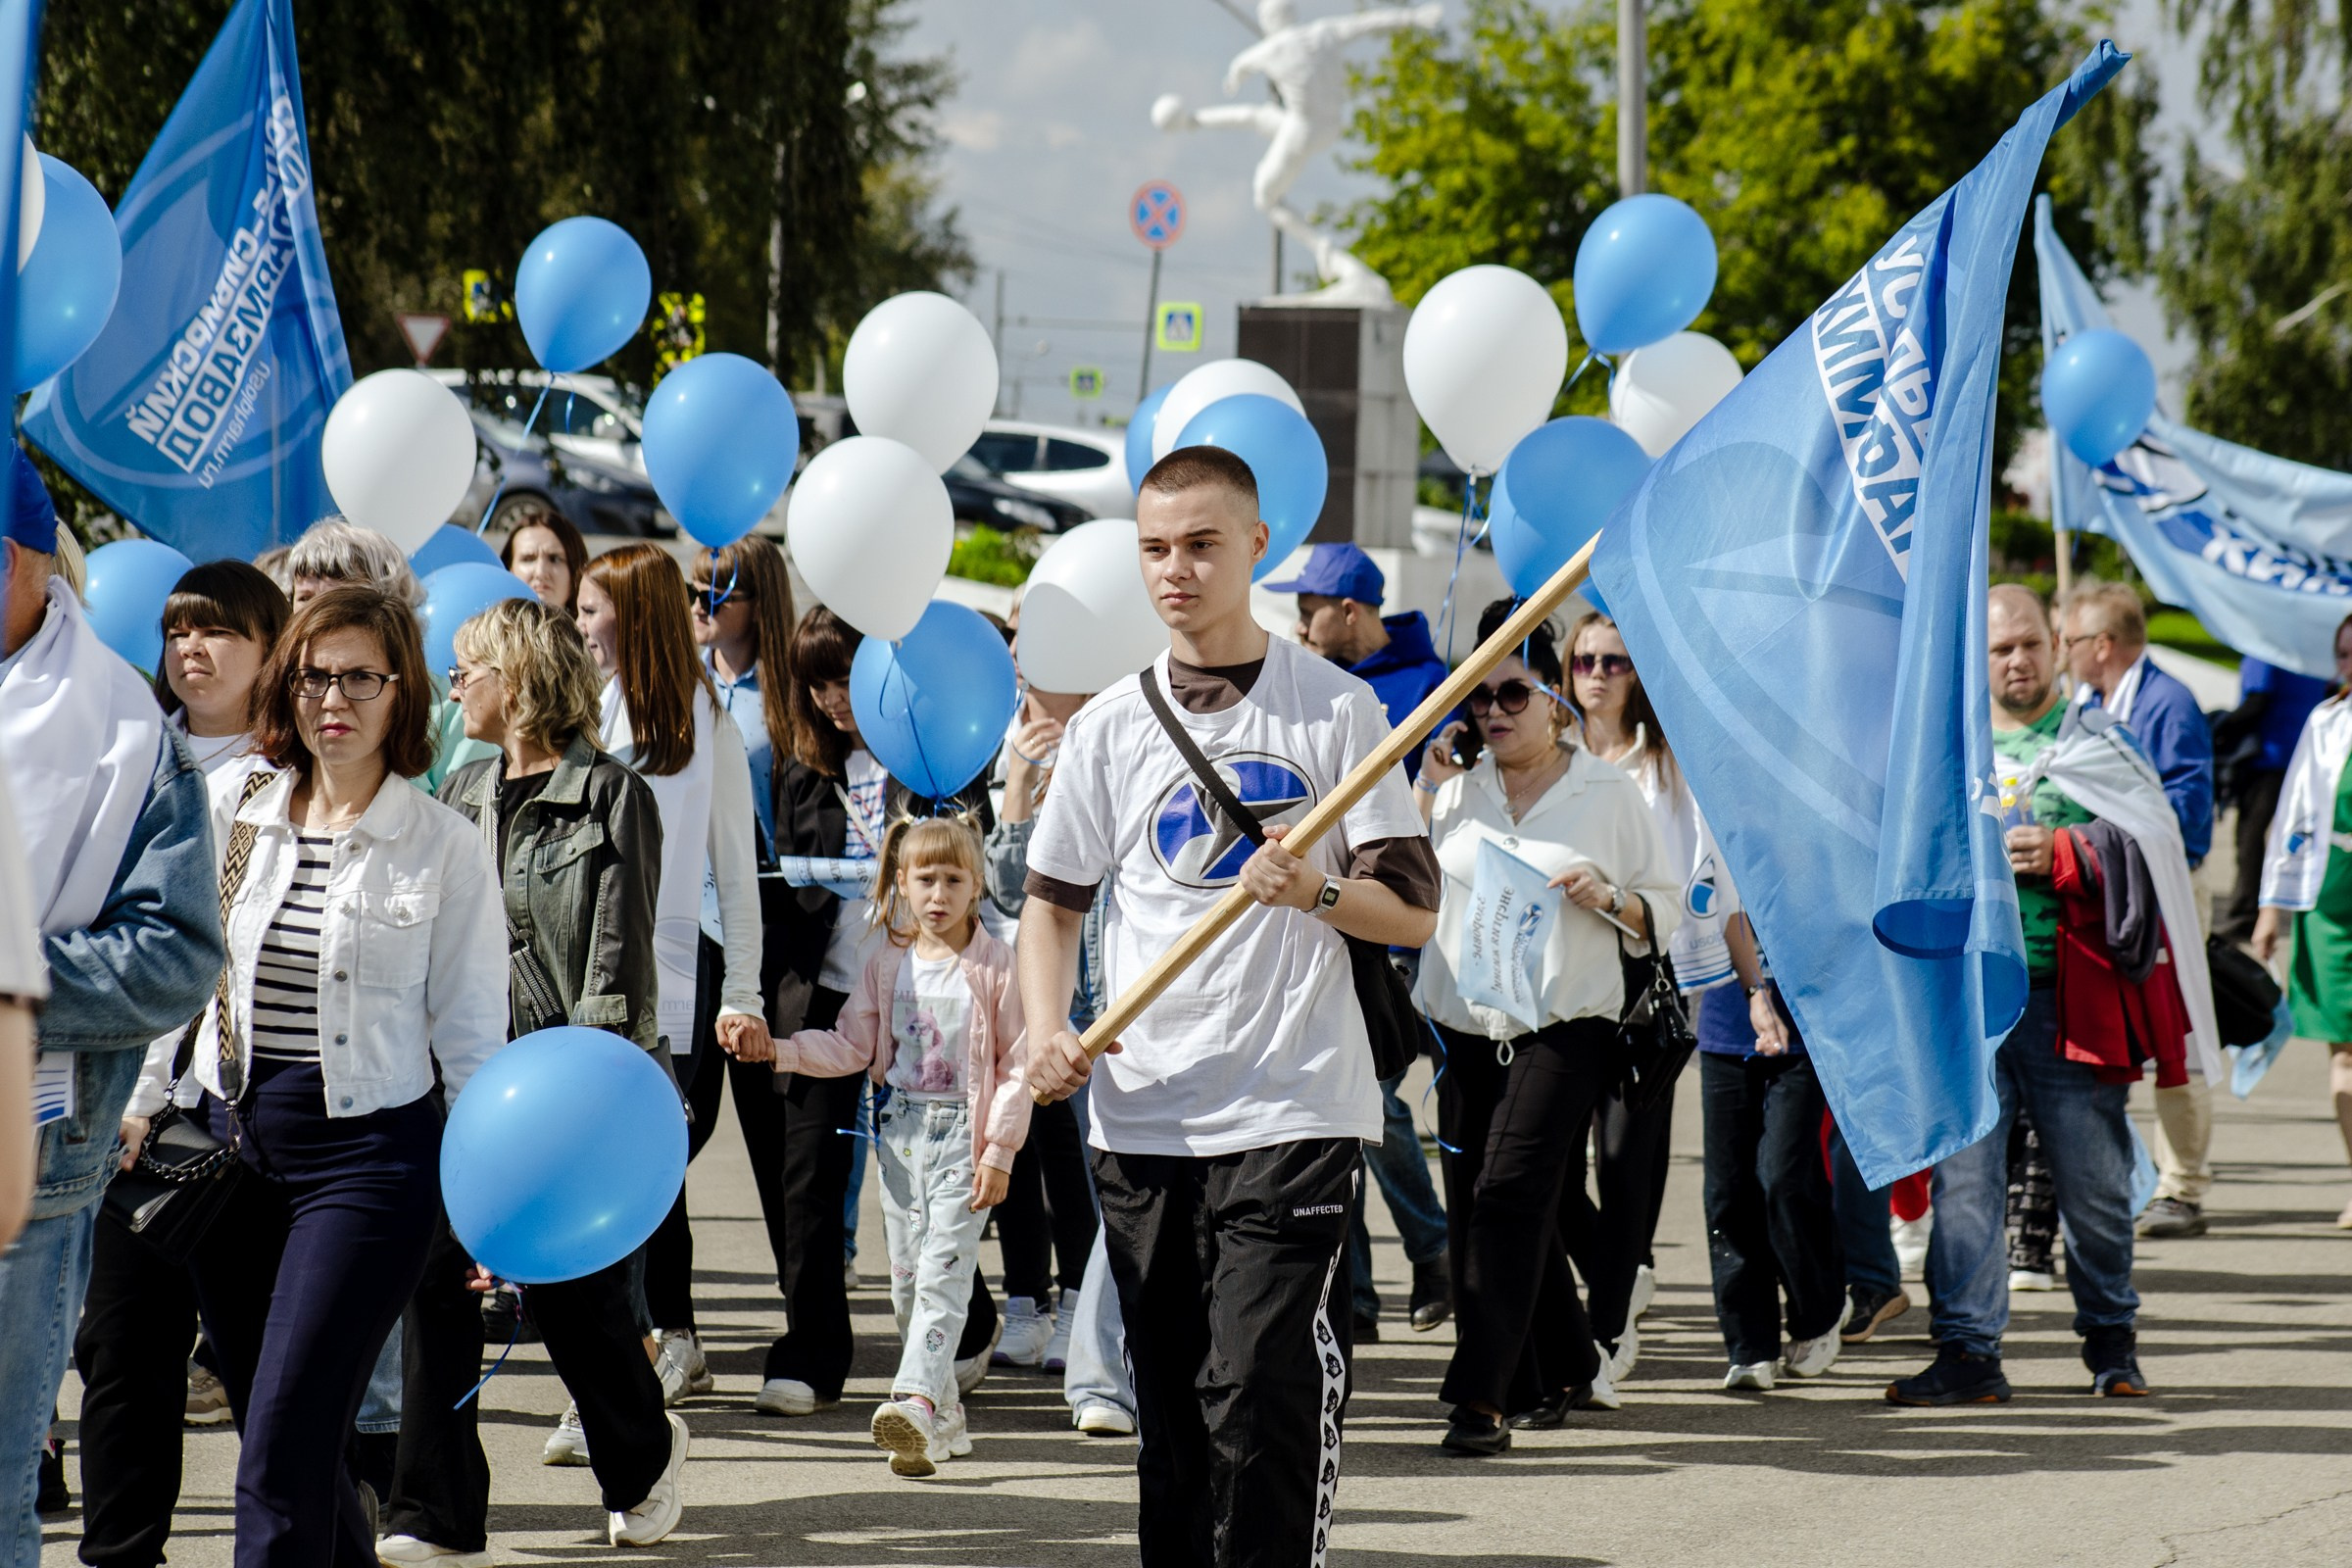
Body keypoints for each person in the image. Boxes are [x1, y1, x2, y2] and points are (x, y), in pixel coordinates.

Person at [1022, 446, 1440, 1562]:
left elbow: (1412, 910)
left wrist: (1320, 888)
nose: (1176, 569)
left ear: (1256, 547)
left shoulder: (1338, 712)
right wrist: (1046, 1031)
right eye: (1155, 547)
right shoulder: (1110, 725)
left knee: (1257, 1394)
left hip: (1292, 1108)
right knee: (1171, 1421)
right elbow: (1051, 908)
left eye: (1203, 544)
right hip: (1143, 1113)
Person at [170, 586, 507, 1566]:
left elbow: (473, 1037)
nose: (335, 698)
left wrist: (483, 1213)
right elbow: (190, 971)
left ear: (403, 694)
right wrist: (148, 1101)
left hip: (368, 1162)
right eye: (317, 675)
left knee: (275, 1452)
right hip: (231, 1154)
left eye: (362, 676)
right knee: (296, 1448)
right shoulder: (236, 806)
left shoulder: (443, 843)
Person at [380, 597, 687, 1561]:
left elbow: (617, 958)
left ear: (517, 681)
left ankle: (642, 1456)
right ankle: (433, 1512)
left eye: (470, 669)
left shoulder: (611, 796)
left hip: (566, 1090)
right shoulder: (458, 788)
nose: (454, 687)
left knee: (574, 1299)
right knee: (431, 1283)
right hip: (462, 1082)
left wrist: (591, 1099)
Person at [0, 449, 222, 1568]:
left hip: (31, 1155)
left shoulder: (125, 734)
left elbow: (177, 958)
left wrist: (11, 980)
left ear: (15, 566)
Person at [1409, 598, 1679, 1455]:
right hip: (1466, 1024)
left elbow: (1666, 909)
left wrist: (1614, 900)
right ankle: (1562, 1363)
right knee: (1481, 1202)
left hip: (1569, 1025)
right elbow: (1415, 893)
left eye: (1512, 696)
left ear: (1556, 697)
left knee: (1510, 1193)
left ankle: (1478, 1399)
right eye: (1477, 699)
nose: (1492, 713)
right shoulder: (1454, 794)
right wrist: (1422, 784)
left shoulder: (1608, 794)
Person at [1887, 585, 2158, 1407]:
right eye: (2000, 648)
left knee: (2095, 1186)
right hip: (1969, 1001)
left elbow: (2156, 838)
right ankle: (1969, 1352)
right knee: (1964, 1183)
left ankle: (2112, 1342)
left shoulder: (2096, 740)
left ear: (2059, 644)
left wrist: (2070, 850)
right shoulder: (1945, 746)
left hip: (2068, 997)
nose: (2017, 660)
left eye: (2031, 644)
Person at [78, 564, 288, 1568]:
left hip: (236, 1118)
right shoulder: (128, 755)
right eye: (176, 631)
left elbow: (203, 954)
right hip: (118, 1113)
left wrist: (152, 1092)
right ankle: (122, 1552)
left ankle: (326, 1536)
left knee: (266, 1374)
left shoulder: (285, 780)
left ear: (268, 649)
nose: (190, 650)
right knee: (121, 1355)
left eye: (217, 632)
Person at [762, 606, 998, 1416]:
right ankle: (811, 1349)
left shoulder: (931, 762)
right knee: (809, 1181)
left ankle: (962, 1331)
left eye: (845, 679)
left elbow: (976, 864)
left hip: (929, 1000)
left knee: (931, 1192)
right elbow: (779, 892)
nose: (832, 699)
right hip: (825, 996)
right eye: (817, 683)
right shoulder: (801, 770)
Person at [774, 814, 1031, 1476]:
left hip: (964, 1142)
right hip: (899, 1137)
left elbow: (1019, 1065)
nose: (939, 892)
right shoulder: (887, 965)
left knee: (945, 1276)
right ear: (901, 885)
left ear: (976, 887)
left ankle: (913, 1399)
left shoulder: (996, 966)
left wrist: (998, 1150)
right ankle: (944, 1422)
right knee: (908, 1287)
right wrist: (781, 1049)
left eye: (953, 878)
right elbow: (852, 1045)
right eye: (925, 879)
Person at [575, 543, 767, 1406]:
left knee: (641, 1167)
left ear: (632, 610)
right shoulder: (593, 703)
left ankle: (626, 1370)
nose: (579, 627)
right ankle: (669, 1338)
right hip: (585, 977)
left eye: (591, 610)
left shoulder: (704, 719)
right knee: (636, 1173)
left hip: (675, 982)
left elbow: (737, 867)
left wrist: (744, 995)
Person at [1269, 540, 1452, 1340]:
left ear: (1348, 610)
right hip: (1311, 915)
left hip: (1396, 919)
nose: (1299, 625)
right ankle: (1364, 1291)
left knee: (1373, 1098)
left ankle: (1433, 1250)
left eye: (1309, 610)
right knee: (1339, 1107)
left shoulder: (1434, 686)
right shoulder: (1308, 686)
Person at [1561, 610, 1736, 1378]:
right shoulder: (1549, 755)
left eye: (1615, 663)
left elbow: (1705, 877)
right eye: (1584, 662)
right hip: (1557, 979)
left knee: (1628, 1157)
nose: (1596, 675)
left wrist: (1745, 982)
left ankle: (1608, 1334)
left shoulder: (1668, 766)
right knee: (1549, 1164)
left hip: (1643, 977)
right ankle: (1618, 1274)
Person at [983, 682, 1136, 1433]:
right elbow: (1015, 894)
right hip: (1049, 1008)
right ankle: (1095, 1365)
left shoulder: (1131, 727)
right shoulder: (1004, 741)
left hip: (1133, 1002)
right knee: (1068, 1172)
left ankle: (1104, 1359)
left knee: (1120, 1189)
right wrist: (1016, 784)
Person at [2062, 579, 2218, 1240]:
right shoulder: (2083, 702)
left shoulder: (2167, 704)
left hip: (2168, 893)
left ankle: (2182, 1188)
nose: (2062, 653)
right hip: (2106, 894)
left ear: (2103, 645)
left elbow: (2189, 812)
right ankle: (2129, 1180)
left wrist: (2107, 836)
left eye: (2069, 641)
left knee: (2173, 1038)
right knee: (2115, 1039)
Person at [1694, 918, 1847, 1392]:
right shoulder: (1711, 843)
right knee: (1727, 1190)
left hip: (1809, 1024)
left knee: (1782, 1176)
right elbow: (1713, 913)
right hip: (1725, 1024)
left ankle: (1817, 1314)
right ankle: (1750, 1346)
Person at [2252, 612, 2352, 1229]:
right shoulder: (2326, 722)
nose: (2349, 665)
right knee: (2344, 1051)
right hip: (2333, 900)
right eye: (2343, 654)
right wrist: (2270, 910)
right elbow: (2294, 817)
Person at [284, 517, 497, 790]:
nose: (318, 612)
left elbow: (470, 819)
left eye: (339, 595)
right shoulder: (284, 696)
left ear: (386, 605)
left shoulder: (453, 712)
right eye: (305, 598)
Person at [2216, 655, 2329, 944]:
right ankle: (2299, 901)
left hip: (2270, 758)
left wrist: (2217, 729)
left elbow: (2257, 701)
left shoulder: (2263, 651)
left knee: (2251, 836)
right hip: (2306, 755)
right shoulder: (2306, 650)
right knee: (2300, 835)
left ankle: (2244, 914)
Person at [498, 501, 588, 613]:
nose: (540, 573)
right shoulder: (484, 630)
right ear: (509, 569)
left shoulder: (591, 630)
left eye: (554, 559)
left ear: (576, 571)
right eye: (528, 559)